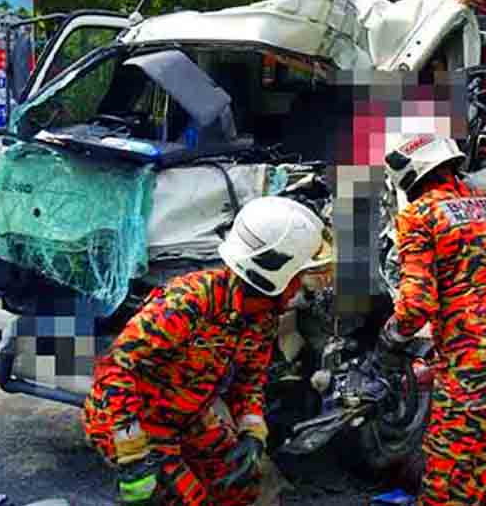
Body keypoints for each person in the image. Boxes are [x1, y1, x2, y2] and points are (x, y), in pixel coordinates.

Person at [83, 196, 326, 506]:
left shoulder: (262, 318)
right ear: (277, 275)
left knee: (243, 486)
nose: (301, 287)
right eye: (299, 277)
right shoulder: (188, 303)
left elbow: (248, 382)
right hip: (135, 421)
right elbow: (116, 371)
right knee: (186, 499)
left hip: (189, 417)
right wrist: (133, 456)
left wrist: (252, 433)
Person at [376, 134, 486, 505]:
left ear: (409, 176)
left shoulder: (419, 215)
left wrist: (389, 341)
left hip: (474, 378)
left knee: (448, 490)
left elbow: (415, 306)